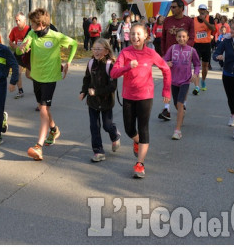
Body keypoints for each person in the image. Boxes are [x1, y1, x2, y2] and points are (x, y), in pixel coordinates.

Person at [110, 23, 171, 178]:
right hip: (129, 96)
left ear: (145, 36)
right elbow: (114, 73)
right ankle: (137, 141)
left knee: (143, 128)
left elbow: (166, 68)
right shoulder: (125, 52)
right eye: (132, 34)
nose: (135, 37)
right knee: (129, 129)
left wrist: (166, 90)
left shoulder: (150, 53)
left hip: (145, 95)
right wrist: (127, 67)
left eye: (138, 34)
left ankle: (140, 164)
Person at [19, 8, 78, 161]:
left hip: (50, 78)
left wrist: (68, 62)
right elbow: (22, 49)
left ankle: (38, 146)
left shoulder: (56, 36)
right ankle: (54, 129)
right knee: (43, 108)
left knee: (43, 109)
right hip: (36, 76)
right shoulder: (32, 33)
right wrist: (21, 48)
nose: (31, 26)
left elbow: (74, 44)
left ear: (42, 24)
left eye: (33, 24)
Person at [80, 38, 121, 162]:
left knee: (107, 125)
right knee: (94, 126)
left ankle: (115, 135)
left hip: (106, 102)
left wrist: (96, 92)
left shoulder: (110, 65)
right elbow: (87, 79)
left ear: (106, 51)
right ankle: (98, 151)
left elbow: (112, 86)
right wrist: (83, 91)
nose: (96, 51)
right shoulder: (91, 63)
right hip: (92, 102)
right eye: (94, 49)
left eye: (99, 49)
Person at [158, 0, 194, 120]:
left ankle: (182, 104)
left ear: (181, 8)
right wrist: (163, 54)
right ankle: (166, 108)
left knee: (183, 82)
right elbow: (163, 38)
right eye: (171, 7)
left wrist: (184, 49)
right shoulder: (167, 20)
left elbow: (192, 38)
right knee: (168, 81)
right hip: (169, 58)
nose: (171, 9)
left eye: (174, 7)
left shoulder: (189, 21)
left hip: (183, 58)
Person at [163, 29, 200, 140]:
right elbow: (164, 60)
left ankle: (177, 130)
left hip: (185, 80)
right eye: (179, 36)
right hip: (174, 81)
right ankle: (181, 113)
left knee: (179, 103)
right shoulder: (172, 48)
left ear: (188, 38)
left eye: (184, 36)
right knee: (176, 104)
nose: (181, 38)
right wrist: (167, 63)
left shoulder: (192, 50)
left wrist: (196, 74)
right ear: (176, 38)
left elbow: (197, 64)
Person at [192, 4, 215, 94]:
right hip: (197, 45)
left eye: (204, 10)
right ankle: (197, 86)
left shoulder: (210, 18)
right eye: (201, 10)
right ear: (198, 10)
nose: (202, 11)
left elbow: (213, 28)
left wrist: (204, 20)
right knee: (196, 65)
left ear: (206, 11)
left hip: (206, 45)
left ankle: (203, 80)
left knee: (205, 66)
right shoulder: (193, 20)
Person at [8, 11, 30, 99]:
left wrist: (29, 48)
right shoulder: (14, 30)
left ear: (25, 20)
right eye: (16, 20)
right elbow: (10, 41)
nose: (17, 22)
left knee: (28, 75)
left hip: (28, 55)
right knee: (17, 72)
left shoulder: (29, 30)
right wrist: (16, 46)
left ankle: (39, 83)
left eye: (19, 20)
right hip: (18, 54)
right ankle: (20, 91)